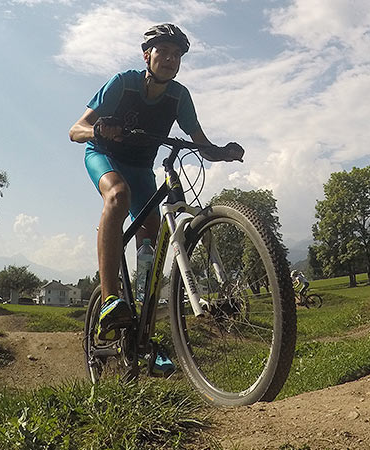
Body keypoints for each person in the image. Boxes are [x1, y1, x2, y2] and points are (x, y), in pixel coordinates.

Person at [69, 24, 243, 362]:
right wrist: (99, 130)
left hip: (142, 169)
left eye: (177, 54)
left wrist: (223, 152)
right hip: (105, 156)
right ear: (147, 55)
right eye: (163, 51)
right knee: (118, 196)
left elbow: (201, 144)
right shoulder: (123, 83)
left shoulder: (179, 97)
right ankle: (109, 300)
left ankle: (142, 328)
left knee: (152, 234)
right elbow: (75, 130)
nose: (170, 58)